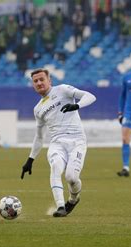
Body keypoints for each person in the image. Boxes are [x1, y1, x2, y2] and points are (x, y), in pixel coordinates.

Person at [20, 68, 96, 217]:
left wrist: (77, 105)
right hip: (57, 144)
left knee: (71, 178)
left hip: (77, 140)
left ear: (50, 80)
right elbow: (40, 136)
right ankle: (60, 206)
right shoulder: (38, 109)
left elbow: (90, 96)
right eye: (35, 81)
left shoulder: (62, 90)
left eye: (42, 79)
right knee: (55, 167)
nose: (39, 83)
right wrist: (30, 159)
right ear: (33, 85)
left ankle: (73, 200)